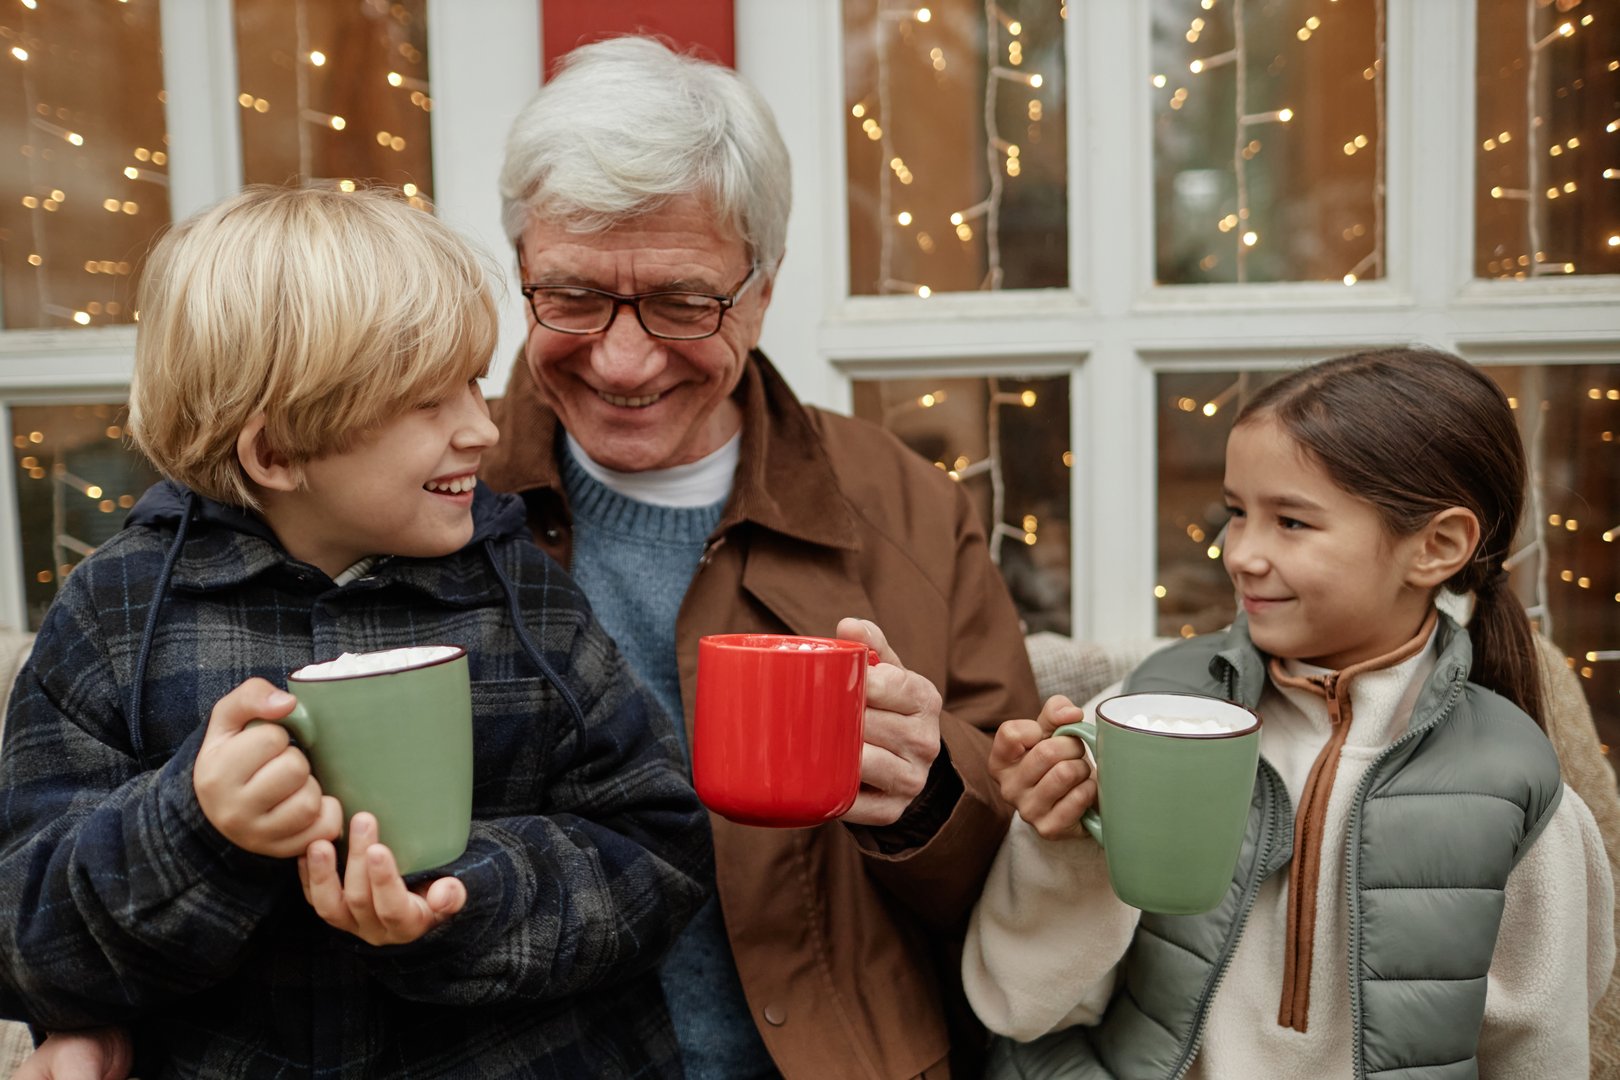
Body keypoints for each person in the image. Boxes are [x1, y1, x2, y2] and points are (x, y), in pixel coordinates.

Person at [17, 35, 1041, 1079]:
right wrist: (90, 1000)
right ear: (521, 272)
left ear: (766, 290)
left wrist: (932, 792)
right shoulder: (419, 496)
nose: (625, 358)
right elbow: (42, 895)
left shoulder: (905, 511)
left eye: (685, 302)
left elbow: (1036, 884)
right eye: (574, 296)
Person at [0, 186, 711, 1078]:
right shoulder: (117, 618)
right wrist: (194, 825)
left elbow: (659, 849)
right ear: (277, 453)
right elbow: (25, 942)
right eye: (428, 403)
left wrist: (460, 892)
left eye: (475, 384)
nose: (482, 430)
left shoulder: (521, 592)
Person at [963, 347, 1615, 1078]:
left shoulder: (1516, 790)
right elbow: (1020, 1005)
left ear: (1437, 546)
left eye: (1292, 523)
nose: (1238, 552)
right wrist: (1061, 847)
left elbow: (1542, 1056)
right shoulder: (1138, 718)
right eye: (1238, 513)